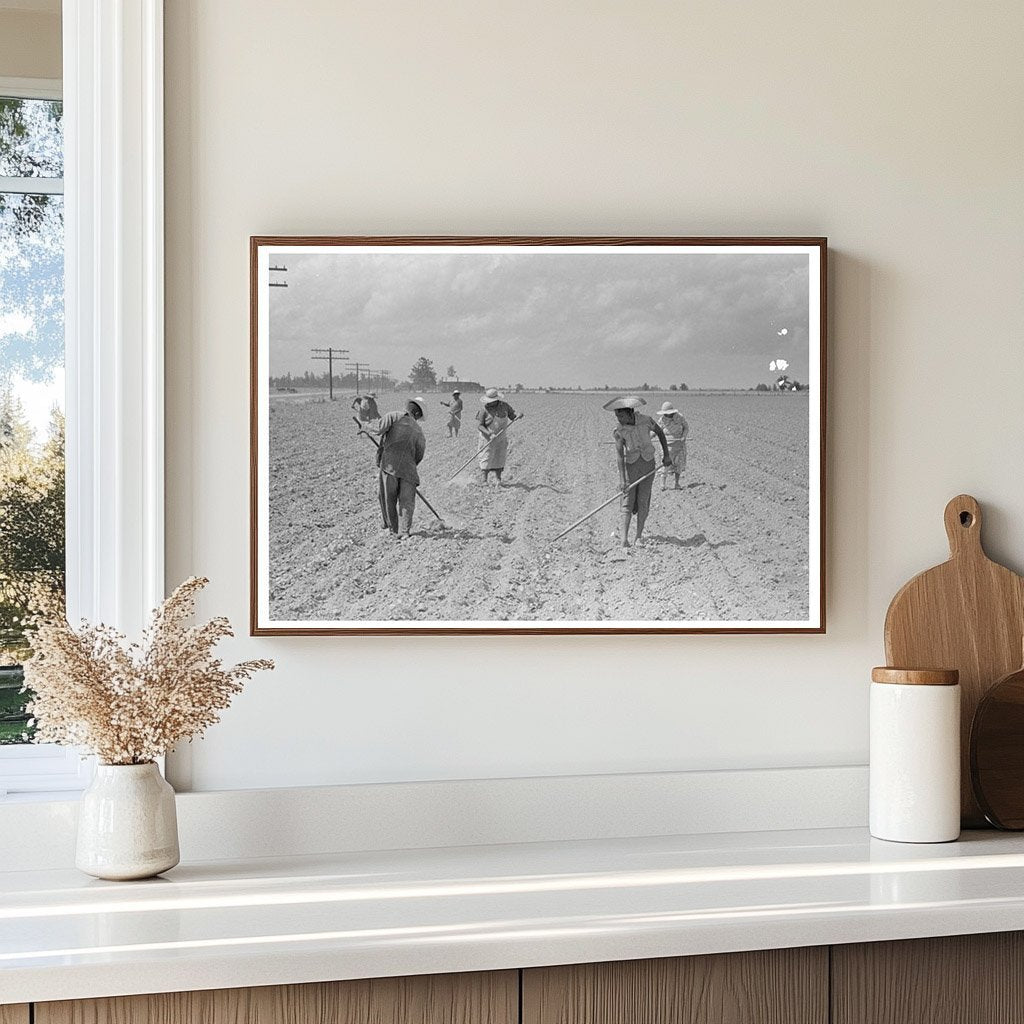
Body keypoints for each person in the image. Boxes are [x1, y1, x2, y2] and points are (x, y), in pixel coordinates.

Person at [604, 395, 672, 548]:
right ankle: (624, 539)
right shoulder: (618, 431)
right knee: (627, 502)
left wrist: (666, 455)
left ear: (630, 412)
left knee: (643, 501)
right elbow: (620, 455)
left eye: (621, 415)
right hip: (631, 467)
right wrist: (622, 479)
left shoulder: (646, 421)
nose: (619, 419)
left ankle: (638, 537)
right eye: (617, 416)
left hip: (648, 464)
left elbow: (660, 433)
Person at [371, 398, 426, 538]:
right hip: (409, 470)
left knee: (388, 498)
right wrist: (408, 464)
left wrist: (364, 427)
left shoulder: (393, 416)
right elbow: (419, 455)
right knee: (407, 501)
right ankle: (405, 531)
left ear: (408, 408)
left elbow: (378, 429)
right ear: (417, 414)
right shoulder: (419, 431)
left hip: (390, 466)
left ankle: (393, 530)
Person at [476, 387, 519, 486]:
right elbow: (480, 426)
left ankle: (498, 479)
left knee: (500, 458)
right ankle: (484, 480)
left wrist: (517, 416)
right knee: (486, 457)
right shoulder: (484, 410)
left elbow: (512, 416)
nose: (489, 403)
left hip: (501, 437)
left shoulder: (505, 406)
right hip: (487, 438)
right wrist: (490, 434)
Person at [655, 400, 689, 490]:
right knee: (665, 465)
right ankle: (663, 484)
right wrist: (648, 438)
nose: (666, 415)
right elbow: (657, 431)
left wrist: (684, 436)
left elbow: (686, 427)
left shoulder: (680, 417)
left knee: (679, 465)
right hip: (667, 446)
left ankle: (677, 484)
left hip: (679, 445)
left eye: (668, 413)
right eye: (665, 414)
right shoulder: (662, 420)